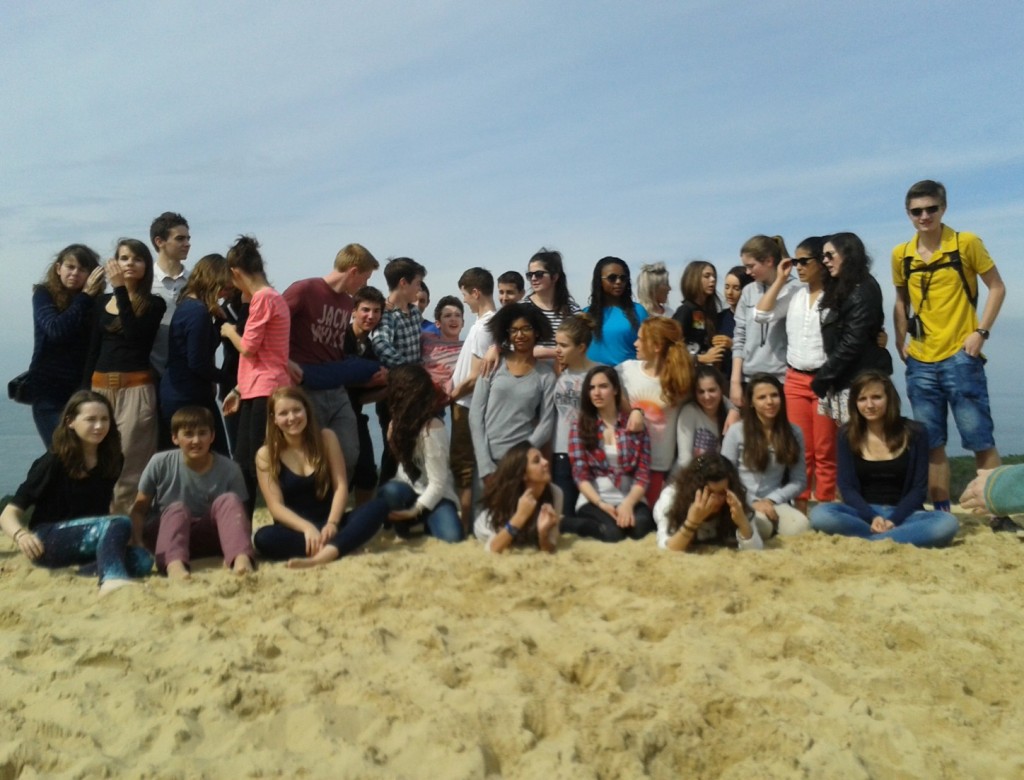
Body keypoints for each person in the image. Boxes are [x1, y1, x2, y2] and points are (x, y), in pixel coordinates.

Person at [892, 179, 1006, 517]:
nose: (924, 216)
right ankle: (942, 513)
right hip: (921, 360)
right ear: (908, 213)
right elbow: (900, 301)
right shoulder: (902, 254)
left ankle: (998, 513)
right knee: (930, 442)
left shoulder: (965, 243)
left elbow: (997, 287)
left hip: (961, 355)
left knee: (979, 437)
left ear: (943, 208)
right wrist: (901, 341)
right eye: (917, 211)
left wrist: (981, 332)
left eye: (931, 209)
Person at [0, 391, 152, 593]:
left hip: (92, 538)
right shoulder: (54, 461)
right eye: (91, 419)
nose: (99, 426)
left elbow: (106, 508)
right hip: (50, 539)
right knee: (120, 522)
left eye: (104, 419)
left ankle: (82, 573)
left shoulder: (113, 459)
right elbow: (8, 514)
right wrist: (21, 535)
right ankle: (113, 579)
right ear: (71, 422)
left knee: (142, 560)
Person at [810, 371, 959, 547]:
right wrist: (872, 517)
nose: (870, 405)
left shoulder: (915, 432)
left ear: (889, 399)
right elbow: (847, 487)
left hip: (906, 515)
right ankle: (893, 538)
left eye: (876, 397)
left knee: (947, 522)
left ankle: (873, 540)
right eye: (862, 399)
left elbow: (919, 490)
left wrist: (893, 520)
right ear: (855, 403)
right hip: (862, 514)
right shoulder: (847, 434)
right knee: (820, 514)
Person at [253, 386, 388, 567]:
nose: (292, 418)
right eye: (283, 413)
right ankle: (342, 546)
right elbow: (276, 507)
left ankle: (324, 552)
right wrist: (307, 528)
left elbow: (341, 486)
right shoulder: (266, 454)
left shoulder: (326, 438)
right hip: (295, 531)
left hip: (331, 524)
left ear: (306, 411)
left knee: (379, 506)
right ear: (274, 419)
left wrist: (332, 524)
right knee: (263, 538)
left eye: (296, 410)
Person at [282, 243, 381, 484]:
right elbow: (270, 325)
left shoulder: (346, 304)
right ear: (354, 271)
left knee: (347, 453)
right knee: (308, 458)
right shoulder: (304, 290)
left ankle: (334, 511)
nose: (364, 285)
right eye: (365, 278)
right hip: (303, 387)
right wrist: (283, 361)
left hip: (335, 387)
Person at [84, 239, 167, 514]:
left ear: (146, 265)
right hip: (99, 389)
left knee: (131, 465)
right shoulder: (101, 303)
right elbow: (93, 348)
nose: (129, 263)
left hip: (136, 388)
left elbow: (133, 335)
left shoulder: (154, 304)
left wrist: (119, 287)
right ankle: (101, 524)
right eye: (123, 258)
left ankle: (126, 530)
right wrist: (83, 392)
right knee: (95, 459)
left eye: (136, 258)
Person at [755, 237, 837, 514]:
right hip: (795, 379)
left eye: (805, 261)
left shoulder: (837, 294)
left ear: (821, 263)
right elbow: (761, 314)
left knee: (826, 449)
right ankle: (801, 507)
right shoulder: (793, 295)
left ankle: (824, 507)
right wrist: (780, 279)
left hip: (826, 380)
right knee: (800, 449)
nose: (799, 267)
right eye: (796, 261)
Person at [132, 406, 254, 578]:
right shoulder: (160, 463)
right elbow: (139, 509)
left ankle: (241, 561)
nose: (196, 440)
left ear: (212, 436)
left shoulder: (230, 469)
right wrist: (137, 542)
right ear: (175, 438)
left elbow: (241, 517)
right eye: (188, 434)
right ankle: (174, 567)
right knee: (177, 508)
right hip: (167, 535)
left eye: (202, 433)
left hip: (209, 536)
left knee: (229, 499)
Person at [220, 236, 292, 515]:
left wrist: (229, 331)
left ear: (236, 273)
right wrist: (239, 390)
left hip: (265, 389)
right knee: (251, 462)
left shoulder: (262, 299)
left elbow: (249, 348)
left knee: (250, 464)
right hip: (261, 386)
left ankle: (244, 524)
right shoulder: (275, 297)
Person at [563, 366, 655, 542]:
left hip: (631, 496)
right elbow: (580, 474)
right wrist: (602, 504)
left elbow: (643, 473)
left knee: (640, 529)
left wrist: (628, 504)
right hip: (595, 500)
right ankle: (567, 523)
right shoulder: (580, 426)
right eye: (592, 388)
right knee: (612, 534)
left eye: (603, 386)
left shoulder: (634, 425)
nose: (596, 393)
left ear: (615, 390)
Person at [27, 244, 105, 446]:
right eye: (70, 267)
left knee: (84, 451)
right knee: (60, 452)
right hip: (48, 391)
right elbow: (56, 330)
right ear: (58, 268)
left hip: (81, 391)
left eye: (82, 269)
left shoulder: (98, 303)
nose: (75, 273)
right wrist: (85, 296)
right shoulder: (44, 294)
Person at [376, 366, 464, 542]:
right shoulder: (396, 424)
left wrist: (415, 510)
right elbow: (404, 466)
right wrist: (393, 440)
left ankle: (423, 519)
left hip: (438, 495)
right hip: (409, 489)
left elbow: (438, 483)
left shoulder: (432, 428)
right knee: (390, 490)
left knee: (452, 538)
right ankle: (403, 529)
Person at [813, 232, 893, 424]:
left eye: (830, 255)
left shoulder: (862, 289)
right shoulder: (842, 287)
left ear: (847, 254)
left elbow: (852, 341)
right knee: (850, 439)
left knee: (863, 440)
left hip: (859, 382)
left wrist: (823, 376)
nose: (825, 261)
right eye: (823, 256)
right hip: (845, 379)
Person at [470, 303, 556, 481]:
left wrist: (522, 455)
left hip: (522, 464)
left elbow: (546, 424)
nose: (520, 335)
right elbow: (475, 415)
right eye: (514, 330)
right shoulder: (493, 365)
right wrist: (485, 466)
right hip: (488, 461)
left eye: (526, 328)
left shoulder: (546, 375)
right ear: (507, 334)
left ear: (537, 332)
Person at [159, 254, 233, 454]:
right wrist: (231, 379)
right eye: (225, 287)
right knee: (214, 455)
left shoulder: (190, 306)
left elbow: (202, 348)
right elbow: (198, 362)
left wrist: (218, 323)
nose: (226, 294)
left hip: (182, 389)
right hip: (187, 394)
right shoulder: (197, 312)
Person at [721, 373, 810, 538]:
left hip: (775, 501)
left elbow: (799, 481)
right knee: (762, 526)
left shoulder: (794, 432)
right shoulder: (736, 431)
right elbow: (725, 475)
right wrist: (753, 502)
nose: (770, 402)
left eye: (774, 395)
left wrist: (771, 500)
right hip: (742, 500)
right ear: (752, 403)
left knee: (800, 527)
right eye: (762, 397)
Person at [617, 316, 692, 504]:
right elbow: (597, 382)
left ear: (657, 346)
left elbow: (712, 395)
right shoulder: (625, 371)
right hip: (627, 463)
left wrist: (732, 410)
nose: (635, 343)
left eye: (641, 339)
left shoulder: (680, 379)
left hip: (659, 466)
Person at [371, 256, 427, 484]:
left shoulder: (413, 313)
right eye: (417, 283)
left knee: (413, 451)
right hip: (395, 393)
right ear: (403, 283)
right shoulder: (387, 314)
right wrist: (408, 370)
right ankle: (386, 508)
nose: (419, 288)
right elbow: (380, 344)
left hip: (415, 394)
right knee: (394, 451)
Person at [449, 267, 497, 527]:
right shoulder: (488, 323)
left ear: (475, 292)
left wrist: (452, 394)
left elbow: (478, 375)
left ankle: (465, 525)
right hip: (470, 404)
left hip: (467, 405)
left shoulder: (483, 327)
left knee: (463, 466)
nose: (465, 300)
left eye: (465, 295)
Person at [730, 235, 793, 408]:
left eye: (751, 266)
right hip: (750, 378)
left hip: (782, 380)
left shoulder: (795, 289)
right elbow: (740, 336)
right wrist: (735, 381)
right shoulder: (749, 291)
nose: (747, 272)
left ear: (769, 261)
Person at [653, 454, 762, 551]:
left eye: (722, 493)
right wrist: (692, 522)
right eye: (710, 493)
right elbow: (667, 549)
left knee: (763, 527)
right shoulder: (671, 498)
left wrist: (742, 522)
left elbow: (756, 550)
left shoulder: (736, 497)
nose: (716, 500)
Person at [474, 443, 562, 553]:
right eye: (536, 461)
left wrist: (543, 534)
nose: (546, 462)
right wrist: (520, 516)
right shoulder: (507, 498)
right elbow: (492, 549)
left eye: (543, 457)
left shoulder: (556, 493)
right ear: (523, 474)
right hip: (484, 530)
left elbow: (550, 547)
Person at [344, 286, 387, 505]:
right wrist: (370, 381)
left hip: (355, 414)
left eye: (376, 311)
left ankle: (361, 520)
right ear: (353, 311)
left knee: (367, 472)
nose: (371, 316)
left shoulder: (371, 348)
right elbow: (339, 380)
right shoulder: (340, 338)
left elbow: (360, 397)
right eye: (365, 310)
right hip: (331, 414)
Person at [551, 314, 598, 513]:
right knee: (564, 513)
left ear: (581, 348)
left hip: (591, 454)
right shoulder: (558, 374)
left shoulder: (600, 373)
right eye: (556, 344)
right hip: (561, 454)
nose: (557, 350)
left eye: (564, 345)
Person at [148, 211, 191, 376]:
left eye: (188, 238)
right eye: (180, 239)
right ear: (159, 241)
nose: (187, 243)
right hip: (150, 372)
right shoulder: (145, 281)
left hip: (185, 373)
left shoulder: (194, 281)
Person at [584, 256, 649, 365]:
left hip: (627, 378)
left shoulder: (639, 311)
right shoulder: (586, 314)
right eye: (612, 278)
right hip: (594, 378)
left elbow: (649, 349)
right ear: (599, 280)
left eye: (623, 278)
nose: (618, 282)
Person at [524, 248, 580, 358]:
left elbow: (580, 347)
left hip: (564, 373)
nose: (533, 279)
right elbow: (512, 348)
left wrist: (544, 352)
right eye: (530, 275)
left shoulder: (573, 311)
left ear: (554, 277)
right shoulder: (521, 309)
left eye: (539, 274)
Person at [676, 365, 730, 470]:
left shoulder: (729, 414)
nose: (707, 396)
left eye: (712, 390)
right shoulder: (690, 411)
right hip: (686, 476)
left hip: (716, 480)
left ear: (721, 389)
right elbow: (684, 459)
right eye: (701, 391)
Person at [673, 260, 724, 366]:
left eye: (714, 276)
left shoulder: (706, 312)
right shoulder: (685, 311)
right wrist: (701, 358)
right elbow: (672, 348)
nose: (713, 280)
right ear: (693, 279)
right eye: (707, 276)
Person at [421, 295, 465, 396]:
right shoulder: (426, 339)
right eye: (447, 316)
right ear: (437, 323)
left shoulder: (467, 349)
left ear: (463, 323)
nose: (453, 319)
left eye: (457, 315)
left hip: (445, 401)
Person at [717, 264, 753, 384]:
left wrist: (732, 344)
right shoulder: (719, 318)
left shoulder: (754, 318)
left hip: (748, 380)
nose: (729, 292)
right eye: (726, 287)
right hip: (724, 380)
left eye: (736, 288)